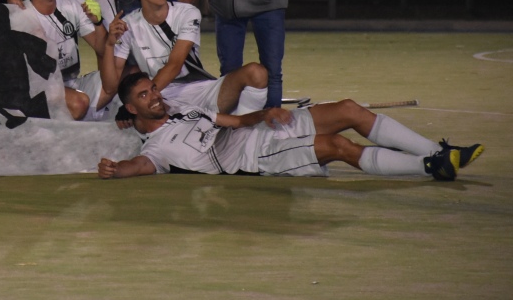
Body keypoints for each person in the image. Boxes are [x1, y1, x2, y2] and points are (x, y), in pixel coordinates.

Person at [98, 72, 484, 181]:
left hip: (258, 131)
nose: (156, 97)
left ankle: (439, 151)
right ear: (131, 109)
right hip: (255, 155)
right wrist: (117, 170)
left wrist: (264, 114)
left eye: (154, 89)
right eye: (147, 96)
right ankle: (430, 167)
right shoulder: (156, 149)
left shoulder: (179, 107)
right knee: (336, 145)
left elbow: (233, 120)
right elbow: (140, 166)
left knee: (349, 109)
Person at [99, 0, 266, 116]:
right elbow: (110, 86)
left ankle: (242, 130)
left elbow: (175, 65)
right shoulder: (127, 25)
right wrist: (109, 45)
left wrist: (148, 97)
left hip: (200, 89)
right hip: (163, 96)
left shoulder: (187, 12)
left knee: (256, 73)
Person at [14, 0, 113, 121]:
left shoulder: (69, 5)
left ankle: (73, 120)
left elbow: (102, 48)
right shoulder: (21, 17)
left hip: (72, 82)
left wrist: (97, 22)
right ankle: (75, 120)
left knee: (119, 75)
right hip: (39, 89)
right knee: (79, 103)